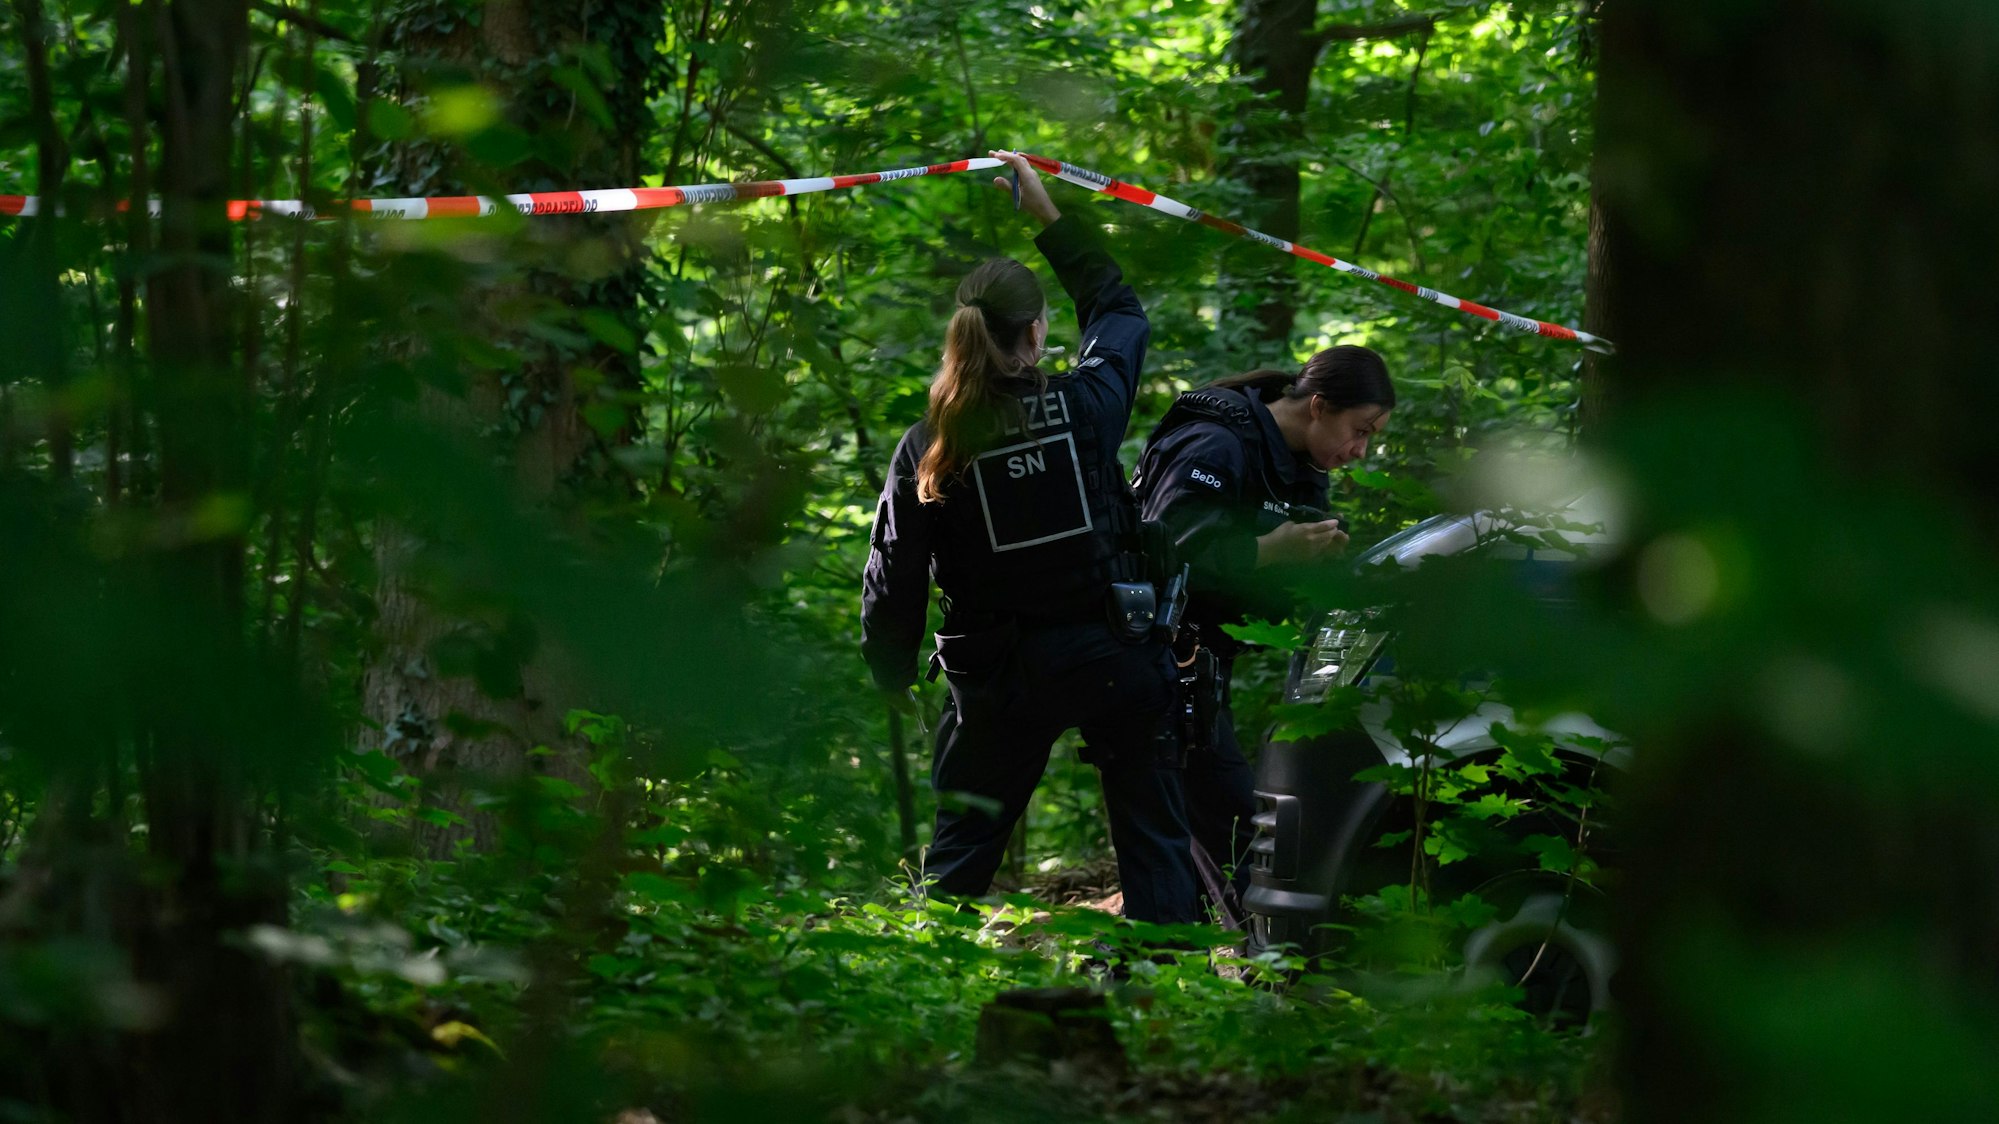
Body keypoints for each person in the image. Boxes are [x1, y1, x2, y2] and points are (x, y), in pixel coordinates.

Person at [859, 151, 1199, 924]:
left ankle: (919, 990)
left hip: (998, 674)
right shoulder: (1088, 405)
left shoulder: (929, 444)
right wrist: (1049, 217)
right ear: (1039, 330)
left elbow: (894, 570)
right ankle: (1161, 991)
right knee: (1153, 837)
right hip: (1113, 651)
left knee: (961, 850)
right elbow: (1118, 311)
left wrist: (892, 671)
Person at [1132, 348, 1395, 918]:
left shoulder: (1304, 468)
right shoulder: (1217, 443)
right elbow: (1165, 549)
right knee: (1225, 821)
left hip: (1205, 665)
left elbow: (1277, 590)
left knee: (1196, 822)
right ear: (1319, 406)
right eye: (1359, 431)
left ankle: (1171, 947)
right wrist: (1269, 551)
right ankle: (1233, 950)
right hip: (1149, 660)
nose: (1360, 451)